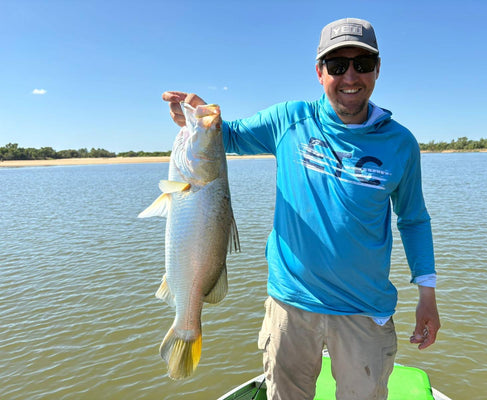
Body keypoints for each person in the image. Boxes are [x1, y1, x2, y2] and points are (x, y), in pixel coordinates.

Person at [163, 17, 440, 400]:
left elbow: (413, 219)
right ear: (319, 71)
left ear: (377, 69)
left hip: (364, 310)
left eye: (361, 64)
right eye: (337, 66)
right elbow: (226, 137)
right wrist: (194, 117)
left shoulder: (401, 143)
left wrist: (427, 294)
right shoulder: (288, 119)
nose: (350, 77)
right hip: (290, 305)